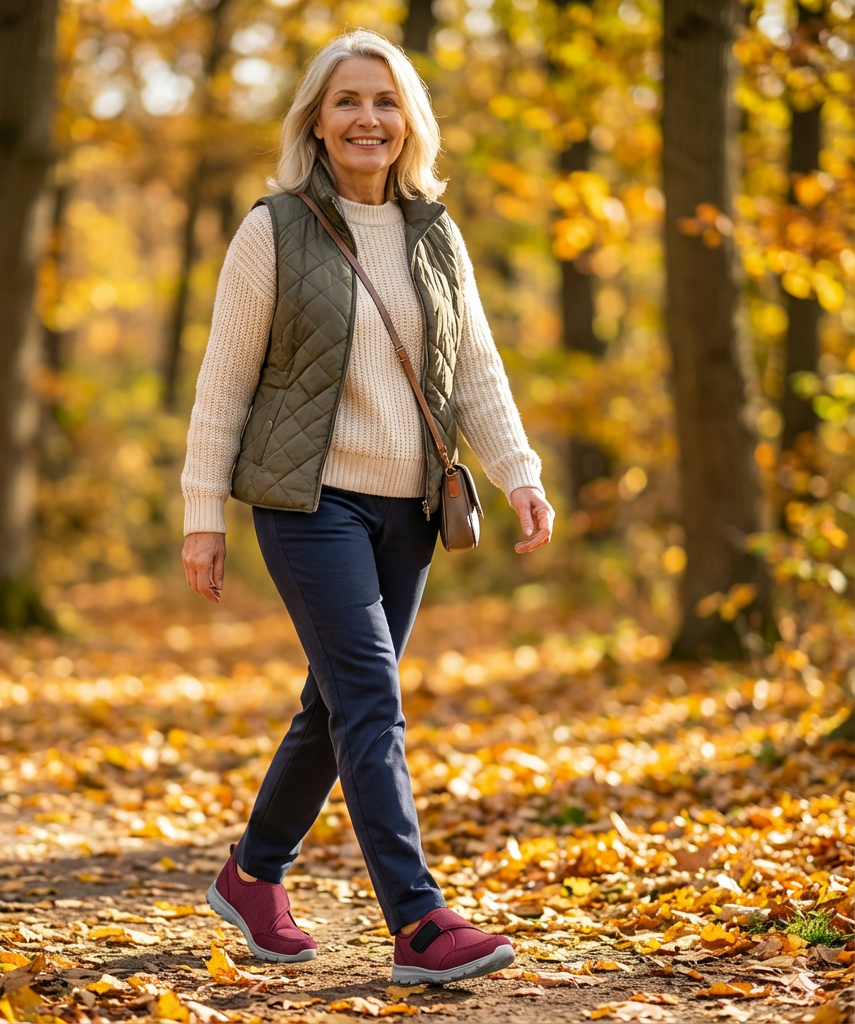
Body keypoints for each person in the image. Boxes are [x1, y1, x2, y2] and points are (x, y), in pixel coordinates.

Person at [180, 29, 554, 985]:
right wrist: (202, 511)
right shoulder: (274, 228)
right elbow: (224, 380)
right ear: (316, 118)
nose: (367, 119)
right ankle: (420, 921)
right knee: (373, 702)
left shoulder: (436, 231)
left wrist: (519, 471)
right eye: (347, 101)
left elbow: (475, 365)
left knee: (337, 703)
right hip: (308, 503)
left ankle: (254, 874)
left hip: (410, 508)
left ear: (409, 123)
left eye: (385, 103)